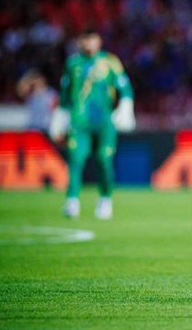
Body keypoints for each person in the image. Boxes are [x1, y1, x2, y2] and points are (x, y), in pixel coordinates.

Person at [49, 29, 135, 219]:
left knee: (104, 161)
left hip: (105, 123)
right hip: (79, 123)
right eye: (85, 39)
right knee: (75, 159)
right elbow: (64, 95)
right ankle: (72, 201)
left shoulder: (110, 62)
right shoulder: (72, 64)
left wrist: (125, 108)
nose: (89, 43)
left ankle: (105, 199)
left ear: (99, 40)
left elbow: (125, 88)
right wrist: (59, 118)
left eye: (92, 39)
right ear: (80, 41)